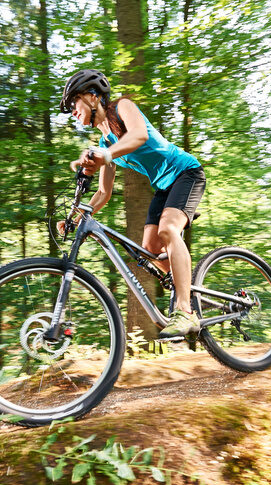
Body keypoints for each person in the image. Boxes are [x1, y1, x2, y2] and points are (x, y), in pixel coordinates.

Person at [58, 69, 206, 339]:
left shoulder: (122, 107)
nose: (72, 112)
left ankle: (184, 310)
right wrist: (74, 218)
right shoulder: (105, 142)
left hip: (187, 173)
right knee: (149, 250)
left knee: (168, 231)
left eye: (74, 103)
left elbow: (139, 136)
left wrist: (105, 155)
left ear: (92, 97)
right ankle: (191, 293)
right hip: (163, 186)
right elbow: (103, 193)